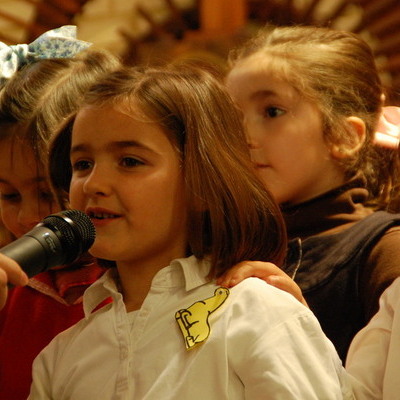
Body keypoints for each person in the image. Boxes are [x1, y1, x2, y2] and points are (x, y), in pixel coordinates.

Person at [28, 63, 353, 399]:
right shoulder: (63, 356)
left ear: (202, 186)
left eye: (129, 161)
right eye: (83, 164)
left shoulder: (255, 313)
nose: (94, 183)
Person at [223, 24, 400, 361]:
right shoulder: (226, 247)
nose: (242, 135)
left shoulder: (385, 254)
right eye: (231, 116)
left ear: (344, 136)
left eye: (271, 111)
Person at [0, 26, 121, 399]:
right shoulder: (10, 293)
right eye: (8, 195)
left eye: (46, 192)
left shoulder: (141, 282)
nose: (26, 219)